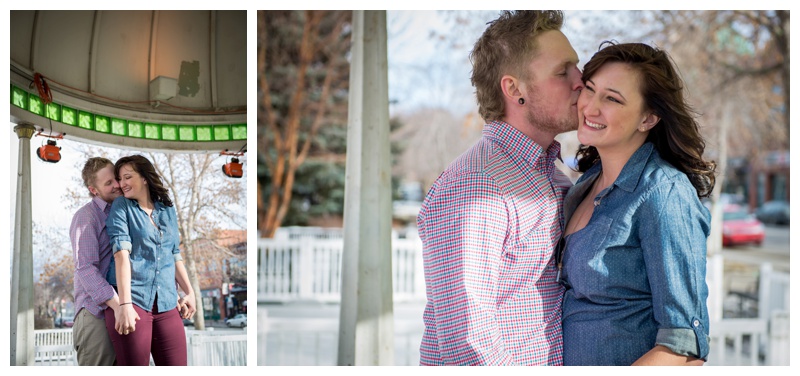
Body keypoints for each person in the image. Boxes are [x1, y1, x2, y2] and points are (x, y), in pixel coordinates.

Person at [417, 10, 583, 365]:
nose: (581, 81)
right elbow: (468, 346)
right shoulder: (475, 187)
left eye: (577, 67)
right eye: (562, 71)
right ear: (514, 89)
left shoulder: (553, 177)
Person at [558, 42, 716, 366]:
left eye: (612, 98)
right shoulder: (585, 184)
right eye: (590, 89)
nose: (591, 107)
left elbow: (684, 344)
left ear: (648, 118)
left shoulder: (663, 193)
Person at [104, 155, 197, 366]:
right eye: (120, 178)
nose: (122, 184)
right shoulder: (121, 206)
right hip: (133, 300)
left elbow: (174, 253)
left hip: (166, 302)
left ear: (145, 177)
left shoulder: (167, 209)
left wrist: (189, 292)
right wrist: (124, 305)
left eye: (128, 177)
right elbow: (121, 255)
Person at [70, 157, 123, 366]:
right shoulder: (87, 217)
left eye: (116, 179)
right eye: (108, 183)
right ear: (94, 190)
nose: (116, 185)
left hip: (122, 310)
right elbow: (85, 268)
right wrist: (117, 305)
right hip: (96, 314)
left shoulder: (122, 211)